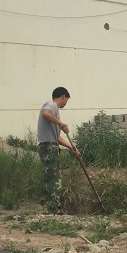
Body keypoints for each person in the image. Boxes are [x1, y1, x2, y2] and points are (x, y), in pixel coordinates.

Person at [37, 87, 80, 215]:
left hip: (52, 146)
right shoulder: (52, 105)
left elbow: (57, 137)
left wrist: (71, 147)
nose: (66, 103)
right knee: (54, 179)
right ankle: (54, 209)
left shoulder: (55, 112)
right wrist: (60, 124)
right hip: (49, 148)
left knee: (52, 177)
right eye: (67, 100)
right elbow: (45, 113)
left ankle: (51, 206)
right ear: (63, 96)